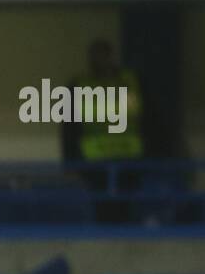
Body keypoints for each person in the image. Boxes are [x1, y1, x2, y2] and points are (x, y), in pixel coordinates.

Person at [61, 40, 144, 223]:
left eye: (104, 55)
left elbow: (148, 119)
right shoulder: (79, 85)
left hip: (128, 160)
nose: (101, 60)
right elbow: (68, 126)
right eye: (96, 55)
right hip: (95, 162)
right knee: (101, 211)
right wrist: (70, 162)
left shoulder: (131, 81)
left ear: (111, 56)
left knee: (128, 212)